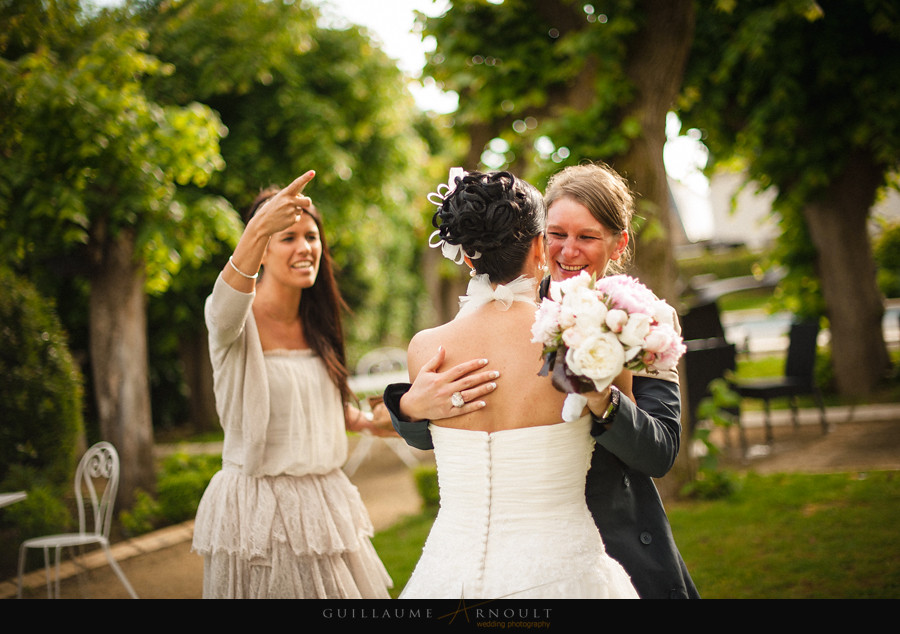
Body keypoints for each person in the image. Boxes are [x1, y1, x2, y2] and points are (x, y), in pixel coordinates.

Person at [386, 162, 699, 599]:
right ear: (537, 239)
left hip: (612, 538)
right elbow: (453, 433)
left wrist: (603, 401)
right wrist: (408, 408)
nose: (568, 251)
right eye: (557, 235)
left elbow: (659, 452)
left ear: (618, 242)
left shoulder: (641, 320)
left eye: (586, 237)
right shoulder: (491, 314)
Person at [191, 171, 393, 599]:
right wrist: (261, 223)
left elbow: (323, 406)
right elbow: (227, 297)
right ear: (260, 249)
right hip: (259, 512)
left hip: (324, 503)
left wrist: (374, 421)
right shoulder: (231, 323)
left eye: (312, 236)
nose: (305, 248)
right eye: (288, 237)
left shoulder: (318, 322)